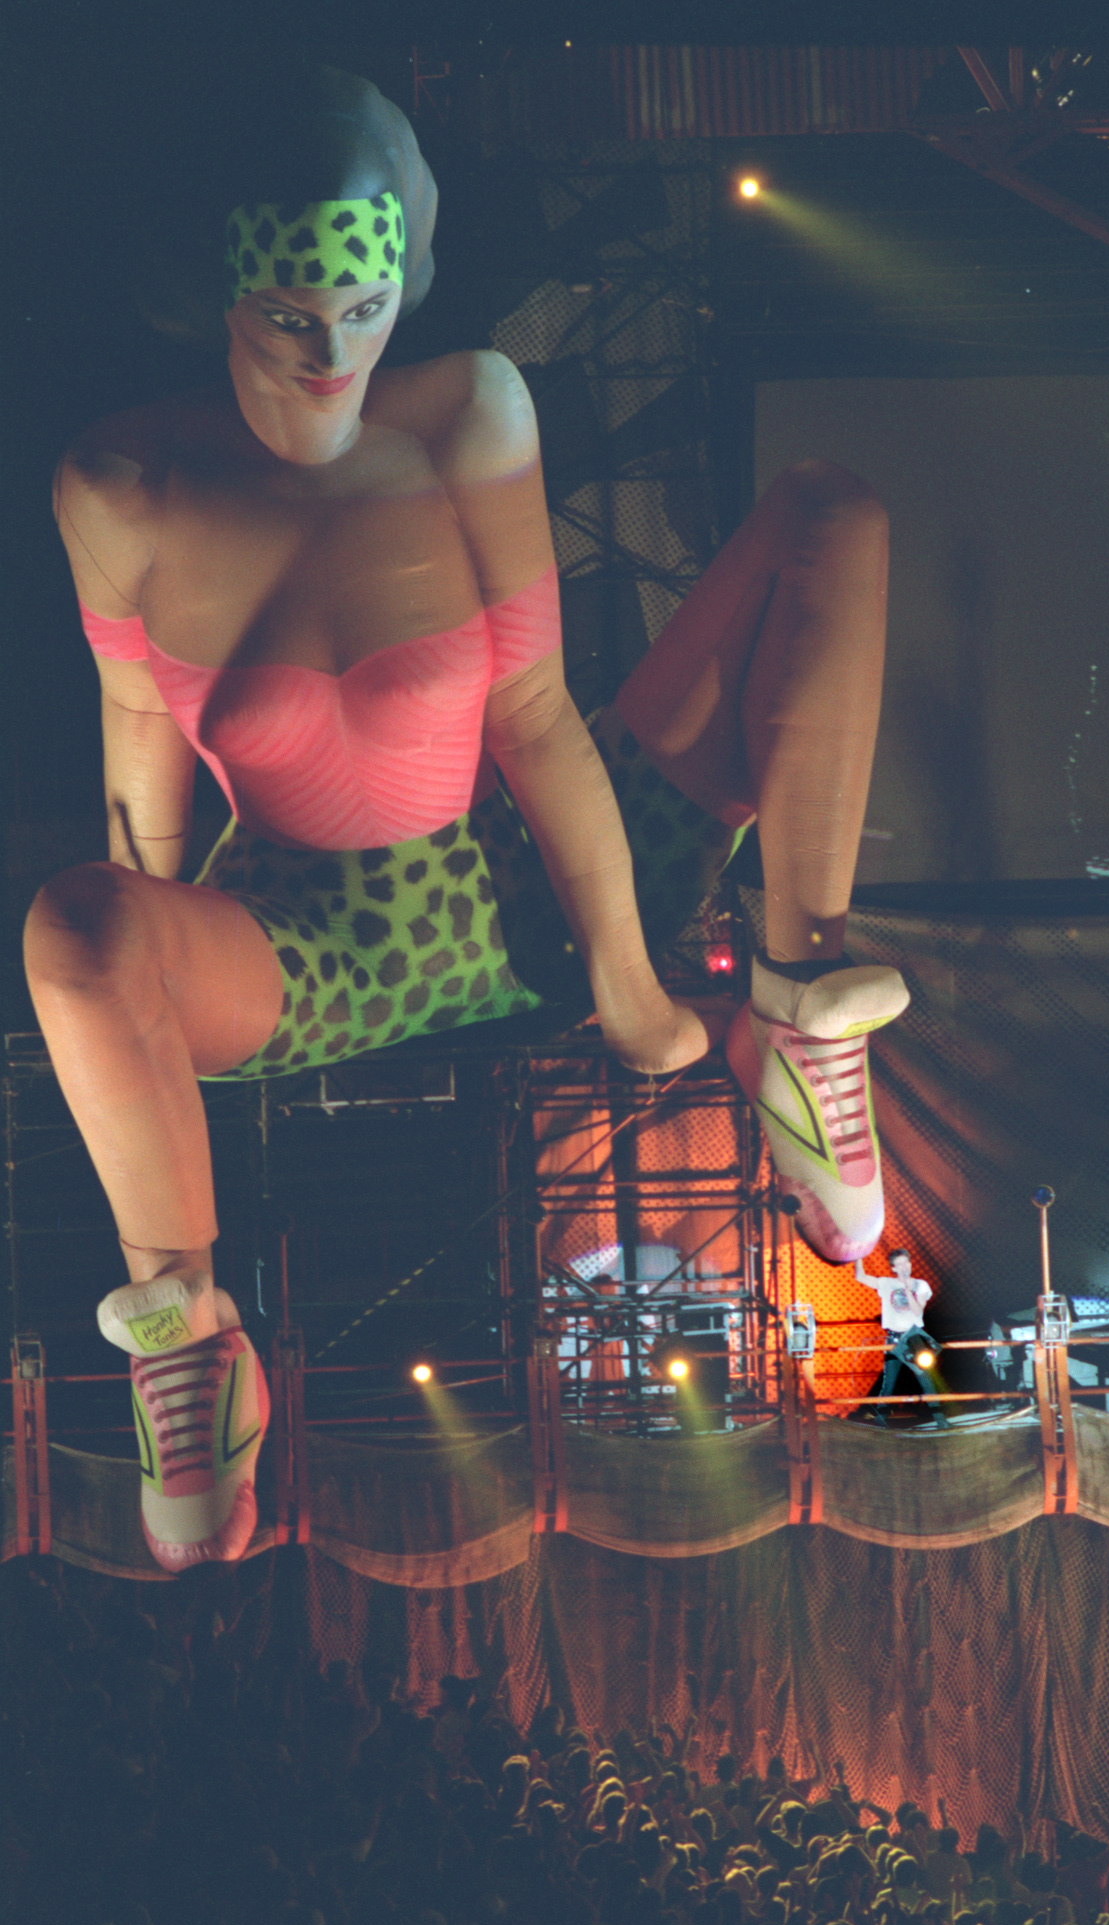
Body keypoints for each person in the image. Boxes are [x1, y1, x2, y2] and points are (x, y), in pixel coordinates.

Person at [25, 62, 905, 1571]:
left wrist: (628, 982)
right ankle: (190, 1343)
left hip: (530, 866)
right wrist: (135, 999)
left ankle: (803, 1013)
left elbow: (539, 716)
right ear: (225, 290)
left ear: (404, 286)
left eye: (364, 312)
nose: (331, 355)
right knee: (74, 924)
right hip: (310, 939)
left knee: (829, 516)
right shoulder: (120, 485)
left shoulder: (468, 413)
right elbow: (136, 740)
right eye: (292, 316)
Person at [853, 1247, 935, 1419]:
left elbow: (917, 1311)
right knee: (888, 1383)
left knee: (925, 1379)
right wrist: (858, 1256)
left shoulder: (921, 1285)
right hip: (893, 1339)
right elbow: (860, 1277)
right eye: (900, 1264)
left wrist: (908, 1289)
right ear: (894, 1268)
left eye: (906, 1263)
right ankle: (880, 1422)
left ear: (910, 1264)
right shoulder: (886, 1283)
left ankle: (941, 1421)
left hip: (913, 1338)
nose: (904, 1267)